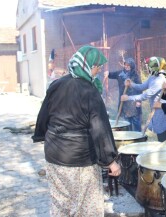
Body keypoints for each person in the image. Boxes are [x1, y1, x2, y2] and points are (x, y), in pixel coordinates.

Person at [32, 45, 121, 216]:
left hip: (53, 155)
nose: (98, 71)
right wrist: (110, 160)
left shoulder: (57, 84)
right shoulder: (89, 90)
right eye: (97, 67)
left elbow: (44, 115)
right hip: (80, 160)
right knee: (87, 207)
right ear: (88, 65)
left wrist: (41, 136)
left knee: (61, 204)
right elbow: (99, 127)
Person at [121, 56, 166, 143]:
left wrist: (128, 98)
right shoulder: (152, 77)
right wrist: (131, 84)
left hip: (162, 112)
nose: (147, 68)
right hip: (155, 110)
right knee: (160, 138)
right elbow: (142, 87)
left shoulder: (160, 80)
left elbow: (145, 96)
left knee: (164, 139)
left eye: (148, 66)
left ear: (153, 67)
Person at [104, 58, 142, 131]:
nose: (127, 66)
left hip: (134, 102)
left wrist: (138, 101)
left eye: (129, 65)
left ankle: (139, 137)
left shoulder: (136, 75)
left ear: (132, 66)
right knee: (127, 123)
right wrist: (108, 73)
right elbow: (112, 74)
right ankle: (130, 139)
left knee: (136, 123)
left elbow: (140, 88)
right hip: (124, 103)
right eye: (126, 65)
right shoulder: (120, 74)